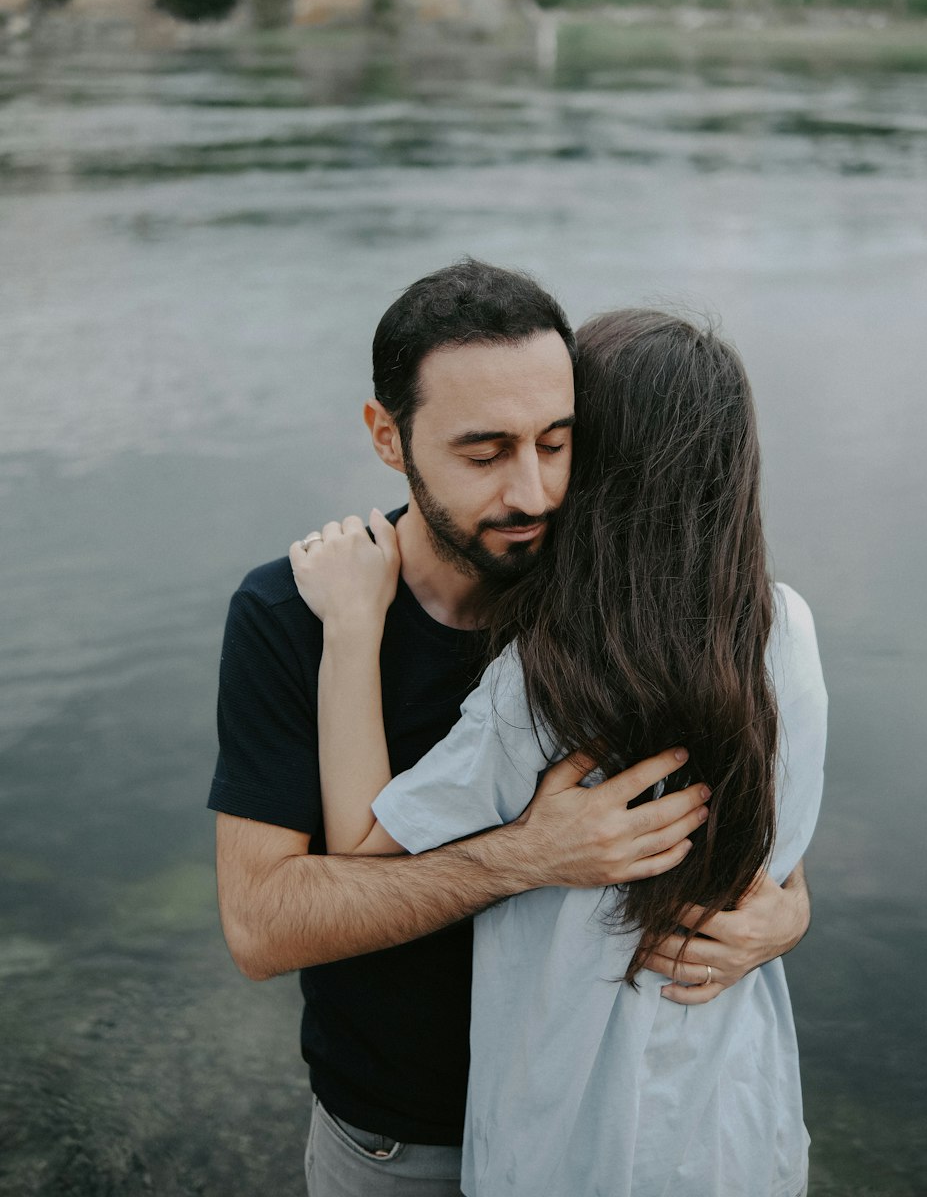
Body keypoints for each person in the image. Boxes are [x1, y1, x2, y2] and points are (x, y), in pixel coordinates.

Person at [210, 262, 813, 1197]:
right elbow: (261, 928)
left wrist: (786, 911)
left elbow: (750, 801)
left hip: (599, 1126)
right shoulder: (293, 614)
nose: (532, 494)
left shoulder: (615, 606)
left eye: (557, 443)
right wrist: (529, 854)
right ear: (387, 436)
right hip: (396, 1144)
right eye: (485, 453)